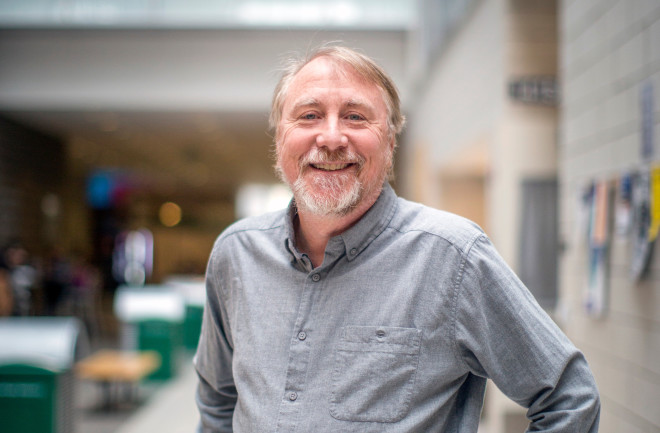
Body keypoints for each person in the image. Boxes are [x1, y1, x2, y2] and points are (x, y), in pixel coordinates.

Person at [194, 45, 600, 432]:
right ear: (279, 137)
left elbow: (568, 398)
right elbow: (218, 400)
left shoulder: (454, 257)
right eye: (309, 115)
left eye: (355, 117)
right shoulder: (236, 254)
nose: (332, 138)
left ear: (390, 142)